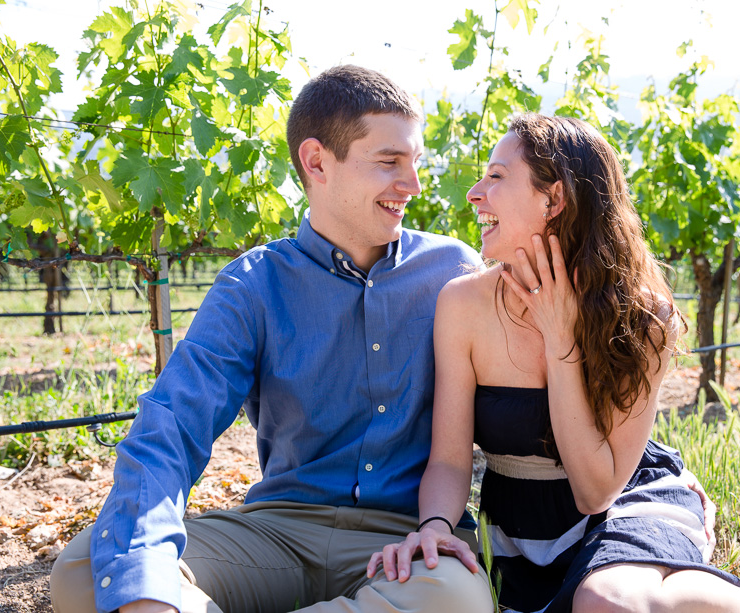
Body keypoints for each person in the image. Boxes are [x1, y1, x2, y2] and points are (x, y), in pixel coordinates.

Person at [49, 65, 494, 613]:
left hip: (406, 542)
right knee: (86, 570)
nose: (413, 185)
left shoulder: (454, 271)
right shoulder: (252, 284)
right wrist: (146, 583)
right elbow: (170, 428)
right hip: (278, 534)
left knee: (456, 601)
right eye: (389, 163)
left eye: (415, 163)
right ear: (316, 162)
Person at [369, 114, 740, 613]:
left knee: (605, 601)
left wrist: (562, 341)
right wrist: (434, 529)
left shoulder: (643, 318)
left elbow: (595, 493)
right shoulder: (462, 305)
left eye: (496, 176)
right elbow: (450, 460)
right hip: (521, 527)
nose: (474, 193)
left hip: (623, 500)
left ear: (554, 200)